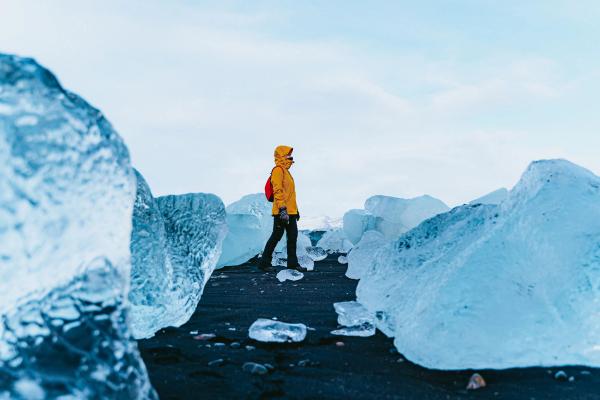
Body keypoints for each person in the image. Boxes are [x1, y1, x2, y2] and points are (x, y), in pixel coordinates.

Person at [259, 145, 307, 273]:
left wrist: (295, 211)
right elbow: (278, 190)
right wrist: (282, 210)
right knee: (276, 236)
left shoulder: (287, 172)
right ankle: (264, 263)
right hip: (282, 212)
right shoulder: (278, 170)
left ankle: (292, 264)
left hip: (290, 212)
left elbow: (290, 195)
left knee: (292, 237)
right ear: (281, 156)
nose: (290, 157)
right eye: (287, 154)